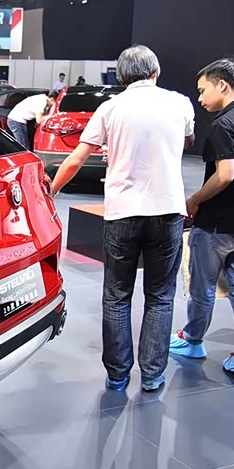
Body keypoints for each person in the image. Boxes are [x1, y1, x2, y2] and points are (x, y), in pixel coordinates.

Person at [50, 45, 196, 392]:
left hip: (122, 213)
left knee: (117, 295)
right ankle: (153, 374)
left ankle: (117, 374)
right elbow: (188, 140)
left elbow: (76, 159)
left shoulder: (110, 108)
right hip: (168, 211)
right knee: (160, 295)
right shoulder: (180, 103)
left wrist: (50, 191)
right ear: (155, 72)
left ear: (121, 76)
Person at [169, 59, 234, 376]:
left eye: (203, 90)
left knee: (203, 287)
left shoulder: (223, 124)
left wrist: (194, 200)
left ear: (222, 85)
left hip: (217, 224)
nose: (200, 98)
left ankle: (193, 340)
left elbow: (225, 174)